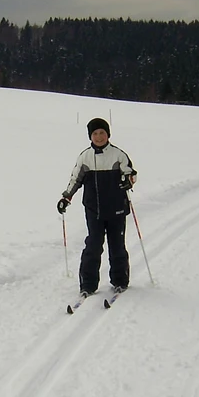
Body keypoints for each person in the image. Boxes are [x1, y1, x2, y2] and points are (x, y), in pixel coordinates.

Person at [57, 118, 137, 296]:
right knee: (93, 245)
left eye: (102, 133)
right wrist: (66, 197)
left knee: (117, 246)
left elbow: (131, 174)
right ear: (90, 136)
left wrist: (128, 181)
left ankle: (120, 281)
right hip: (94, 209)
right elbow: (75, 179)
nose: (99, 137)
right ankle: (88, 284)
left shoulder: (118, 155)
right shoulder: (85, 157)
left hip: (117, 208)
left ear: (108, 134)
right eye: (95, 133)